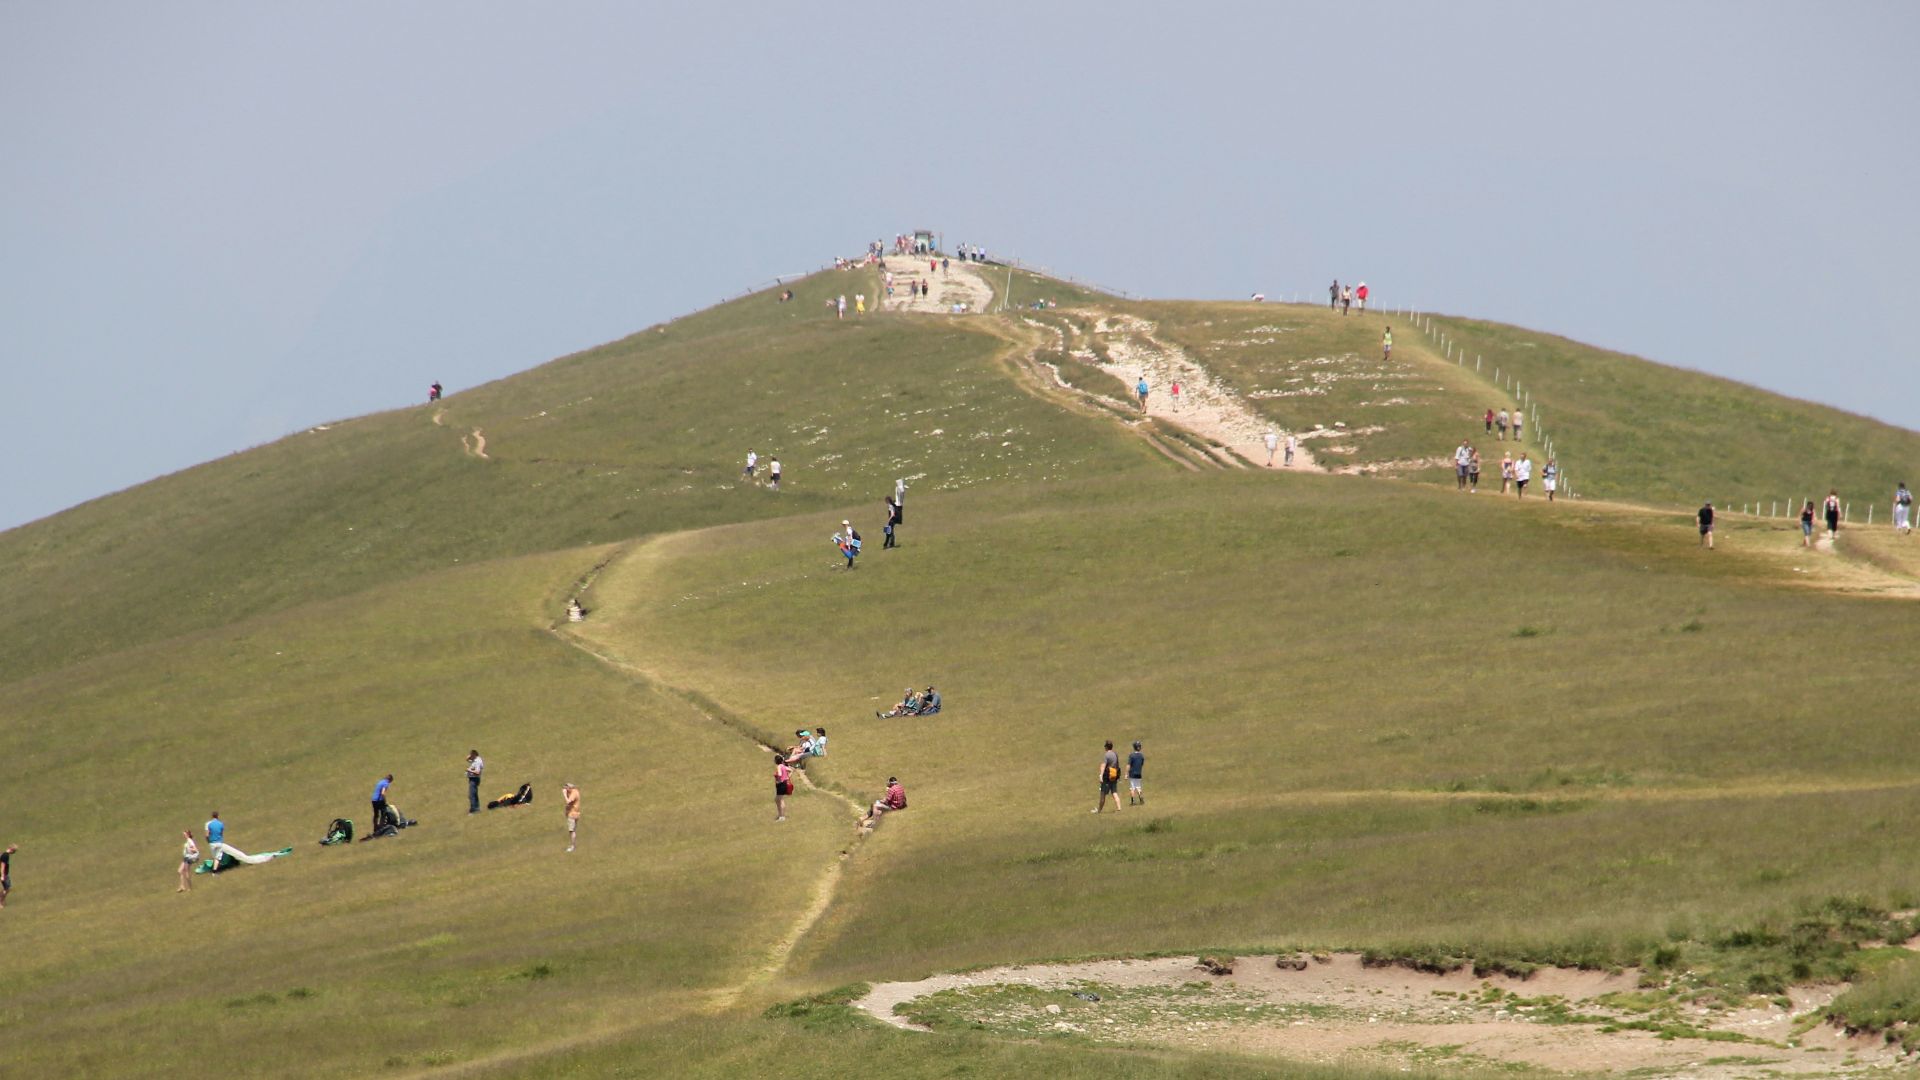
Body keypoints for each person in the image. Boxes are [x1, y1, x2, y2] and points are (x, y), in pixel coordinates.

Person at [1094, 741, 1123, 813]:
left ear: (1106, 747)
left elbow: (1103, 766)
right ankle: (1119, 808)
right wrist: (1118, 776)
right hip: (1113, 776)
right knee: (1114, 792)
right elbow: (1117, 765)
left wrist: (1101, 775)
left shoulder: (1106, 755)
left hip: (1107, 777)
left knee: (1103, 793)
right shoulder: (1115, 754)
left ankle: (1099, 810)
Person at [773, 758, 792, 823]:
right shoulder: (783, 766)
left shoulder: (779, 766)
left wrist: (777, 777)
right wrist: (788, 777)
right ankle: (781, 815)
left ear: (776, 761)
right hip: (784, 784)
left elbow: (780, 774)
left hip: (781, 784)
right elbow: (790, 770)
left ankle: (781, 816)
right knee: (779, 799)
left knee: (779, 800)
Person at [562, 782, 581, 850]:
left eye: (566, 788)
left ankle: (573, 846)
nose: (565, 789)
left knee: (571, 831)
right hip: (576, 813)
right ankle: (573, 845)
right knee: (573, 830)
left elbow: (568, 801)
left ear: (569, 788)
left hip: (572, 814)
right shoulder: (576, 791)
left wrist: (564, 794)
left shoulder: (573, 793)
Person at [1127, 741, 1145, 806]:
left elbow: (1128, 765)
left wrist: (1126, 774)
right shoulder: (1141, 756)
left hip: (1132, 773)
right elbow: (1142, 764)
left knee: (1132, 788)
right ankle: (1141, 798)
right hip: (1139, 773)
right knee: (1138, 787)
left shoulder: (1131, 755)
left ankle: (1132, 801)